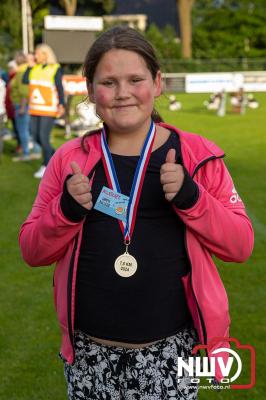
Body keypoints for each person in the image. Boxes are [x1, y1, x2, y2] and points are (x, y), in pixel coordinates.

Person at [19, 26, 254, 400]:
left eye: (135, 79)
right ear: (91, 92)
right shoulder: (69, 160)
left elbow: (241, 245)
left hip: (173, 354)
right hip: (88, 357)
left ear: (157, 83)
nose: (123, 92)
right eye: (108, 82)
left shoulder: (197, 156)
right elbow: (32, 250)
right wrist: (65, 209)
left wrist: (193, 198)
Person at [23, 44, 65, 178]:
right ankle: (55, 156)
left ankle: (46, 166)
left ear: (45, 55)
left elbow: (60, 88)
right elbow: (25, 80)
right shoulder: (34, 68)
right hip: (35, 108)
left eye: (37, 54)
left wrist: (61, 104)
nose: (35, 56)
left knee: (43, 137)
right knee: (35, 136)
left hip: (48, 108)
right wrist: (29, 66)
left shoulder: (55, 68)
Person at [10, 51, 34, 162]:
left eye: (16, 57)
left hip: (21, 104)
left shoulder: (21, 71)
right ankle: (36, 150)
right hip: (24, 103)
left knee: (23, 130)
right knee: (28, 130)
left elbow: (24, 91)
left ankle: (26, 153)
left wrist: (22, 107)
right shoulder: (25, 70)